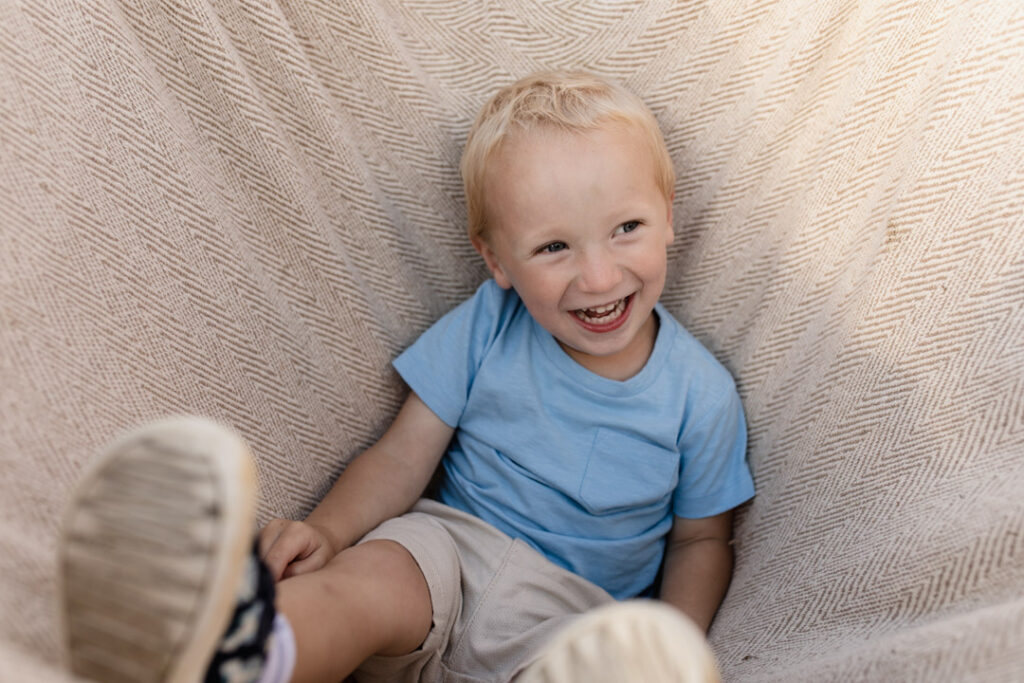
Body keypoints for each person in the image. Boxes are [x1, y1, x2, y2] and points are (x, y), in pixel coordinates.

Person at [59, 70, 754, 683]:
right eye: (553, 246)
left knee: (603, 667)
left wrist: (678, 646)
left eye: (625, 227)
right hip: (446, 552)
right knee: (359, 587)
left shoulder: (701, 394)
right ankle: (233, 649)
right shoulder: (488, 325)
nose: (598, 275)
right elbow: (400, 455)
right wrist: (327, 533)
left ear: (670, 218)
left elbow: (699, 541)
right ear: (498, 262)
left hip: (574, 617)